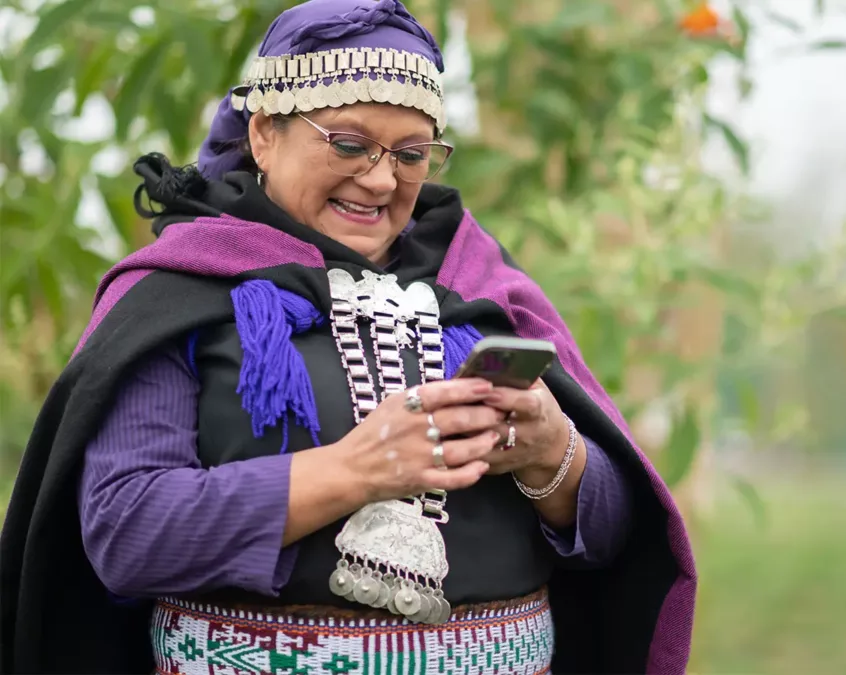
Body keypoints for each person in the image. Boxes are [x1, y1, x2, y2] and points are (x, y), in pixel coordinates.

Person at [0, 1, 696, 673]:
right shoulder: (181, 291)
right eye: (350, 144)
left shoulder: (482, 286)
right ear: (264, 134)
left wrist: (554, 458)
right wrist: (353, 471)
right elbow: (127, 533)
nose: (381, 179)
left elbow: (618, 536)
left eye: (412, 154)